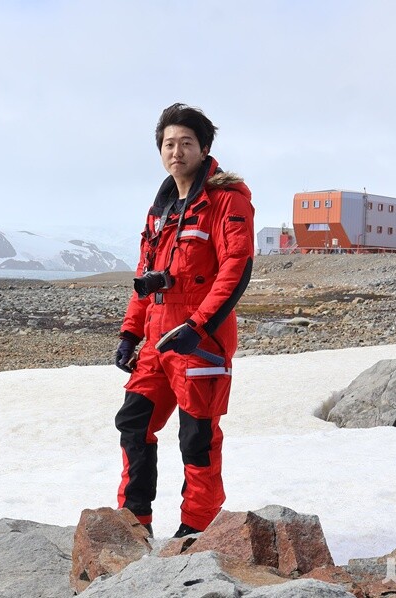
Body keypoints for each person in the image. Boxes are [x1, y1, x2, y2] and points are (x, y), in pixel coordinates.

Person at [114, 103, 255, 538]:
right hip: (158, 343)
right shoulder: (160, 211)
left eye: (186, 143)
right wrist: (130, 332)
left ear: (204, 148)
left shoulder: (226, 202)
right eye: (169, 144)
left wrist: (197, 326)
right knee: (134, 423)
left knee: (197, 439)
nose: (177, 151)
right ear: (161, 151)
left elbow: (236, 268)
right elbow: (146, 280)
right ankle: (135, 521)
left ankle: (197, 528)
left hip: (199, 342)